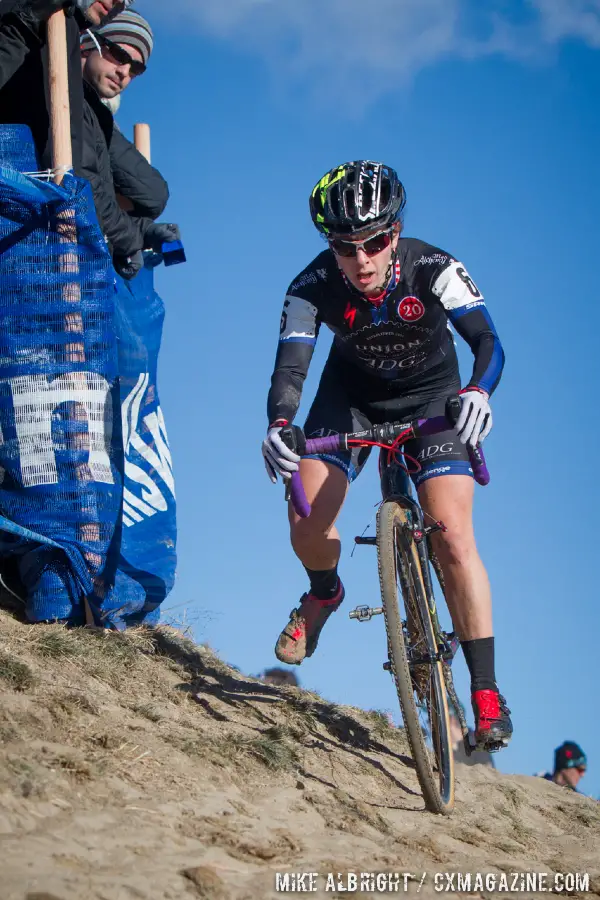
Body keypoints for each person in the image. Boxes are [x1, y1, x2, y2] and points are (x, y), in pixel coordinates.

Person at [262, 160, 512, 750]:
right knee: (305, 520)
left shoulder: (435, 267)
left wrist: (477, 390)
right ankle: (324, 593)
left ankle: (485, 690)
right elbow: (291, 366)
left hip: (432, 399)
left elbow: (487, 339)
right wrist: (279, 424)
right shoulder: (309, 286)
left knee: (452, 535)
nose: (363, 260)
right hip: (349, 401)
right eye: (347, 248)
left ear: (394, 233)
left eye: (375, 242)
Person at [78, 10, 178, 277]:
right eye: (119, 56)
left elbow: (152, 193)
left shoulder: (98, 115)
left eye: (135, 68)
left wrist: (141, 231)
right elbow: (83, 190)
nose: (124, 72)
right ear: (89, 44)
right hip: (52, 261)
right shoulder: (64, 100)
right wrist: (132, 239)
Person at [0, 0, 133, 175]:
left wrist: (65, 189)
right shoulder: (19, 10)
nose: (120, 1)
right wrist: (20, 27)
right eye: (118, 55)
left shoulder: (67, 27)